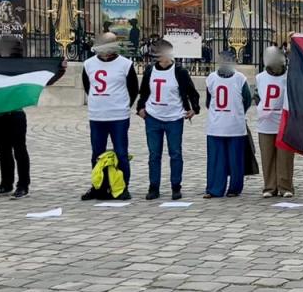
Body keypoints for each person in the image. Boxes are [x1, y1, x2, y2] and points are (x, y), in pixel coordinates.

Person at [0, 37, 65, 199]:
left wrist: (61, 69)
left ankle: (23, 185)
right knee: (3, 153)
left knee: (20, 151)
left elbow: (45, 79)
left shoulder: (23, 67)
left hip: (14, 115)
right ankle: (6, 184)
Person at [136, 39, 200, 200]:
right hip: (153, 117)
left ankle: (176, 186)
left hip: (174, 118)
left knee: (175, 154)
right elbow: (144, 91)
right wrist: (140, 108)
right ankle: (153, 187)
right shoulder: (150, 71)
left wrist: (194, 109)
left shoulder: (179, 72)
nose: (156, 57)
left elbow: (192, 92)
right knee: (154, 155)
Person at [82, 31, 138, 200]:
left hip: (118, 116)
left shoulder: (125, 65)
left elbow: (133, 89)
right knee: (97, 153)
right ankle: (98, 186)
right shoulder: (89, 64)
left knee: (121, 153)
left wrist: (123, 105)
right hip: (97, 115)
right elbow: (87, 86)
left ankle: (121, 187)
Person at [204, 50, 252, 199]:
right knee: (233, 159)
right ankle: (232, 188)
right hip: (230, 124)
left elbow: (208, 102)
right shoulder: (239, 79)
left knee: (219, 160)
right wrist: (237, 112)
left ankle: (217, 188)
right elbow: (247, 100)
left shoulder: (212, 78)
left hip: (222, 124)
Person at [255, 46, 293, 199]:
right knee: (267, 156)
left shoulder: (290, 76)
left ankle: (285, 186)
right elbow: (257, 97)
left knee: (285, 156)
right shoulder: (260, 77)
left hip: (285, 121)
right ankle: (269, 187)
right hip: (266, 122)